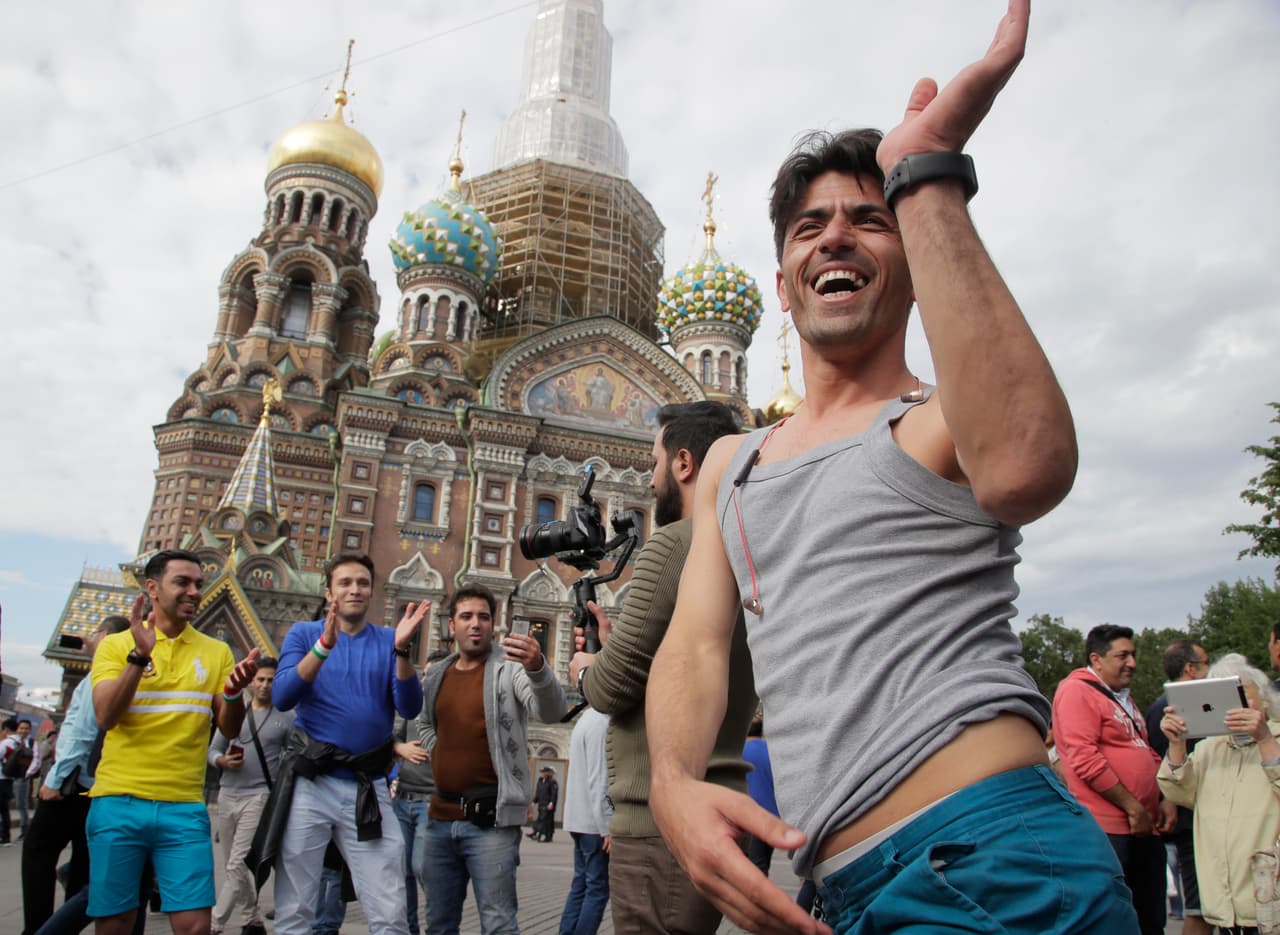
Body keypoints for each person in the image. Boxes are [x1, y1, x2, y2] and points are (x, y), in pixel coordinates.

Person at [642, 5, 1140, 933]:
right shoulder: (729, 464)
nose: (834, 236)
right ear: (784, 284)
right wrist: (672, 783)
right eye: (808, 227)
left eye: (869, 221)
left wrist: (926, 180)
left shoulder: (936, 418)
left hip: (994, 862)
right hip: (838, 893)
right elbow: (699, 645)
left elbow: (1031, 464)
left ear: (910, 262)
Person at [569, 399, 755, 934]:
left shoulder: (676, 545)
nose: (651, 482)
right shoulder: (743, 546)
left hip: (662, 821)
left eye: (654, 464)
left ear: (683, 463)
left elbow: (610, 688)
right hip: (718, 801)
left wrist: (586, 667)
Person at [89, 549, 260, 935]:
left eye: (199, 584)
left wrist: (234, 694)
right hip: (118, 800)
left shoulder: (216, 651)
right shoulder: (116, 646)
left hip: (183, 805)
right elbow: (106, 716)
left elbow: (230, 729)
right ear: (152, 588)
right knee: (115, 923)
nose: (195, 591)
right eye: (182, 582)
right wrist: (139, 657)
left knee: (195, 925)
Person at [265, 553, 429, 935]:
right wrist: (323, 646)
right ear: (329, 592)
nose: (355, 589)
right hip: (312, 783)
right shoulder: (304, 634)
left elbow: (409, 706)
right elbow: (283, 695)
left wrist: (403, 651)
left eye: (362, 583)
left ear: (371, 591)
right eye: (345, 583)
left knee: (389, 908)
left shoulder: (389, 639)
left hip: (366, 788)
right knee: (296, 907)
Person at [419, 584, 566, 935]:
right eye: (466, 617)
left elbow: (553, 711)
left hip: (491, 824)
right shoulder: (438, 673)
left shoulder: (509, 669)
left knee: (498, 922)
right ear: (451, 624)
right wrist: (439, 751)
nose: (475, 624)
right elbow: (424, 722)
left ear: (493, 624)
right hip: (439, 819)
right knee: (438, 923)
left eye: (483, 617)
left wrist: (538, 667)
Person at [1054, 625, 1175, 935]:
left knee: (1150, 920)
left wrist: (1164, 798)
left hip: (1145, 828)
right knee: (1114, 921)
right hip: (1110, 831)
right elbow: (1085, 759)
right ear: (1096, 659)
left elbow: (1146, 751)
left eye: (1133, 655)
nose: (1132, 663)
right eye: (1123, 655)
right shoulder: (1076, 691)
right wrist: (1133, 807)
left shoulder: (1124, 700)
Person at [20, 616, 130, 935]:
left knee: (38, 851)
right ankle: (64, 927)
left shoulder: (99, 676)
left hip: (73, 785)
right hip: (101, 788)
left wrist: (55, 780)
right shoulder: (125, 677)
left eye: (96, 634)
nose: (89, 638)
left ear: (107, 638)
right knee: (84, 862)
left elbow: (81, 733)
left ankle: (40, 928)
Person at [1158, 654, 1280, 932]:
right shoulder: (1209, 748)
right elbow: (1177, 792)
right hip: (1223, 904)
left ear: (1263, 699)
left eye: (1242, 696)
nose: (1235, 708)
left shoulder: (1275, 737)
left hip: (1270, 899)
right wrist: (1177, 744)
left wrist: (1264, 738)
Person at [208, 657, 293, 935]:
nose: (265, 685)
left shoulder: (285, 719)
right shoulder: (234, 713)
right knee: (234, 864)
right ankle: (252, 919)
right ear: (251, 682)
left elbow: (291, 757)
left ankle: (214, 922)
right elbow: (212, 750)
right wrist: (221, 761)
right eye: (260, 680)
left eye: (270, 680)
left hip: (259, 796)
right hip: (227, 794)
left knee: (237, 862)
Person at [1144, 639, 1212, 935]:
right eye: (1207, 663)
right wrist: (1166, 799)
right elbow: (1160, 763)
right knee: (1200, 909)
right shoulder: (1171, 711)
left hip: (1198, 819)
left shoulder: (1159, 707)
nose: (1211, 671)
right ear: (1190, 668)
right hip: (1192, 823)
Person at [393, 648, 450, 935]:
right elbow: (391, 736)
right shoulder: (412, 705)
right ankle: (409, 929)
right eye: (425, 675)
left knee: (422, 868)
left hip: (432, 799)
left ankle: (438, 927)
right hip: (403, 798)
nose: (428, 681)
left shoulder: (452, 710)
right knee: (401, 871)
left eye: (435, 675)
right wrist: (400, 747)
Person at [557, 707, 612, 935]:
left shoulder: (586, 719)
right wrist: (606, 827)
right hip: (593, 825)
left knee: (580, 885)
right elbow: (599, 781)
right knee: (597, 889)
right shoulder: (602, 724)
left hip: (578, 820)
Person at [742, 717, 779, 877]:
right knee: (761, 868)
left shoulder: (738, 752)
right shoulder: (772, 752)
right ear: (762, 731)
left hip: (746, 817)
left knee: (747, 870)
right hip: (771, 819)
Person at [1, 717, 23, 846]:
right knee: (5, 809)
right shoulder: (21, 743)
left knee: (3, 809)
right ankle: (5, 836)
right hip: (10, 779)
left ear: (6, 729)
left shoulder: (6, 743)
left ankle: (4, 836)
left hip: (1, 778)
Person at [531, 766, 558, 842]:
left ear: (548, 773)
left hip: (548, 804)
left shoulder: (552, 781)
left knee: (546, 821)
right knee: (541, 819)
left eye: (544, 772)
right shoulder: (540, 781)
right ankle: (537, 833)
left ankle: (545, 836)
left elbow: (554, 794)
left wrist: (551, 803)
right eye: (542, 772)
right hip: (541, 803)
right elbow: (538, 792)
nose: (542, 773)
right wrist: (534, 801)